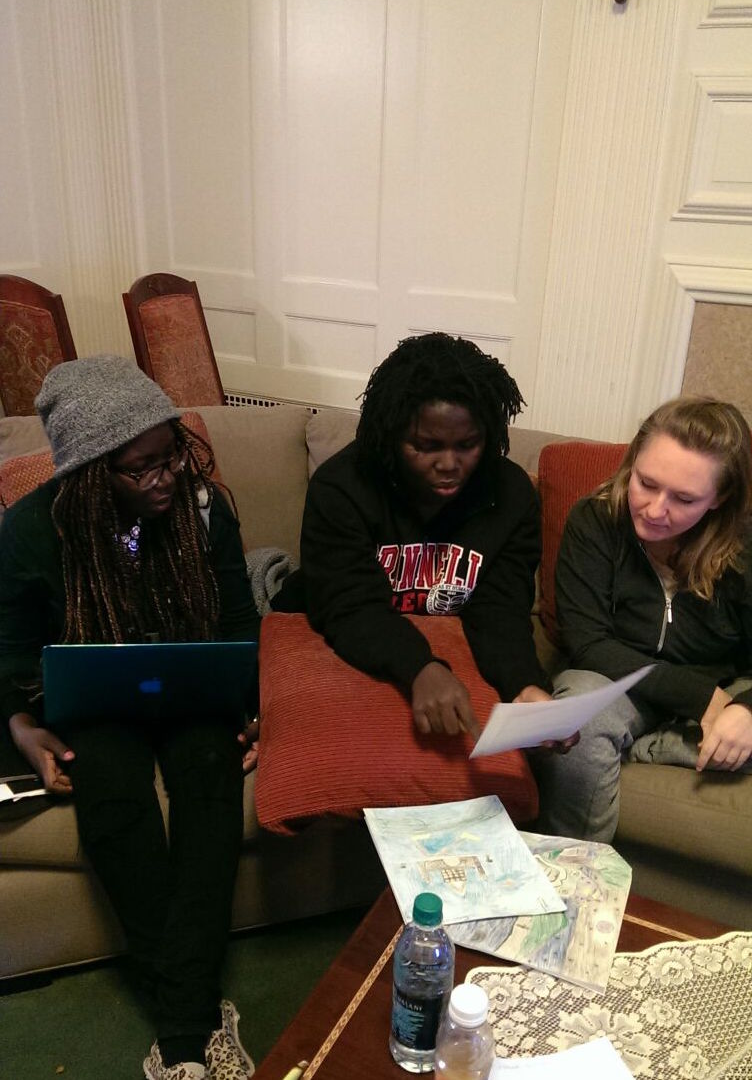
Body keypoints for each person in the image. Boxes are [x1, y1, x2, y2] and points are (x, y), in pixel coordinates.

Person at [0, 356, 260, 1080]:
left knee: (210, 778)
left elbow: (241, 621)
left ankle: (177, 1031)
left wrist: (251, 701)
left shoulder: (206, 509)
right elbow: (8, 651)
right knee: (110, 788)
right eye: (138, 468)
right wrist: (21, 726)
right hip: (98, 706)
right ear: (89, 473)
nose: (164, 478)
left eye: (170, 455)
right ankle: (196, 1021)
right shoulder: (30, 532)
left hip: (192, 693)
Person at [280, 331, 574, 747]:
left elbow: (500, 609)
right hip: (345, 646)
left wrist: (524, 686)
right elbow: (348, 606)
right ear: (391, 436)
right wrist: (420, 668)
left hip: (435, 658)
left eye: (468, 445)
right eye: (426, 446)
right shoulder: (341, 487)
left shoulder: (509, 495)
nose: (450, 464)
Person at [533, 396, 752, 843]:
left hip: (725, 685)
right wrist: (700, 699)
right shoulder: (594, 520)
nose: (654, 509)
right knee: (576, 724)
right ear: (631, 462)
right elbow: (588, 642)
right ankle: (574, 877)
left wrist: (746, 709)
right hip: (615, 677)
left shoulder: (744, 546)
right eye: (646, 483)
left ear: (721, 497)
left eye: (684, 498)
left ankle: (652, 746)